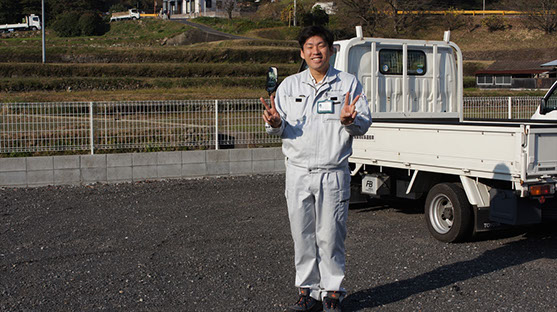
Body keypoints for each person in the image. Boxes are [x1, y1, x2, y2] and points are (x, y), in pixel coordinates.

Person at [260, 26, 372, 312]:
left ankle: (332, 292)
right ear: (302, 53)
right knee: (302, 234)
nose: (315, 51)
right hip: (297, 171)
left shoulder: (348, 84)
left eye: (320, 45)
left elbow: (364, 123)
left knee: (331, 234)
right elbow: (279, 127)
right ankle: (307, 291)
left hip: (334, 172)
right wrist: (274, 123)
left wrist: (349, 121)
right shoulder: (289, 86)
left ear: (331, 50)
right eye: (309, 46)